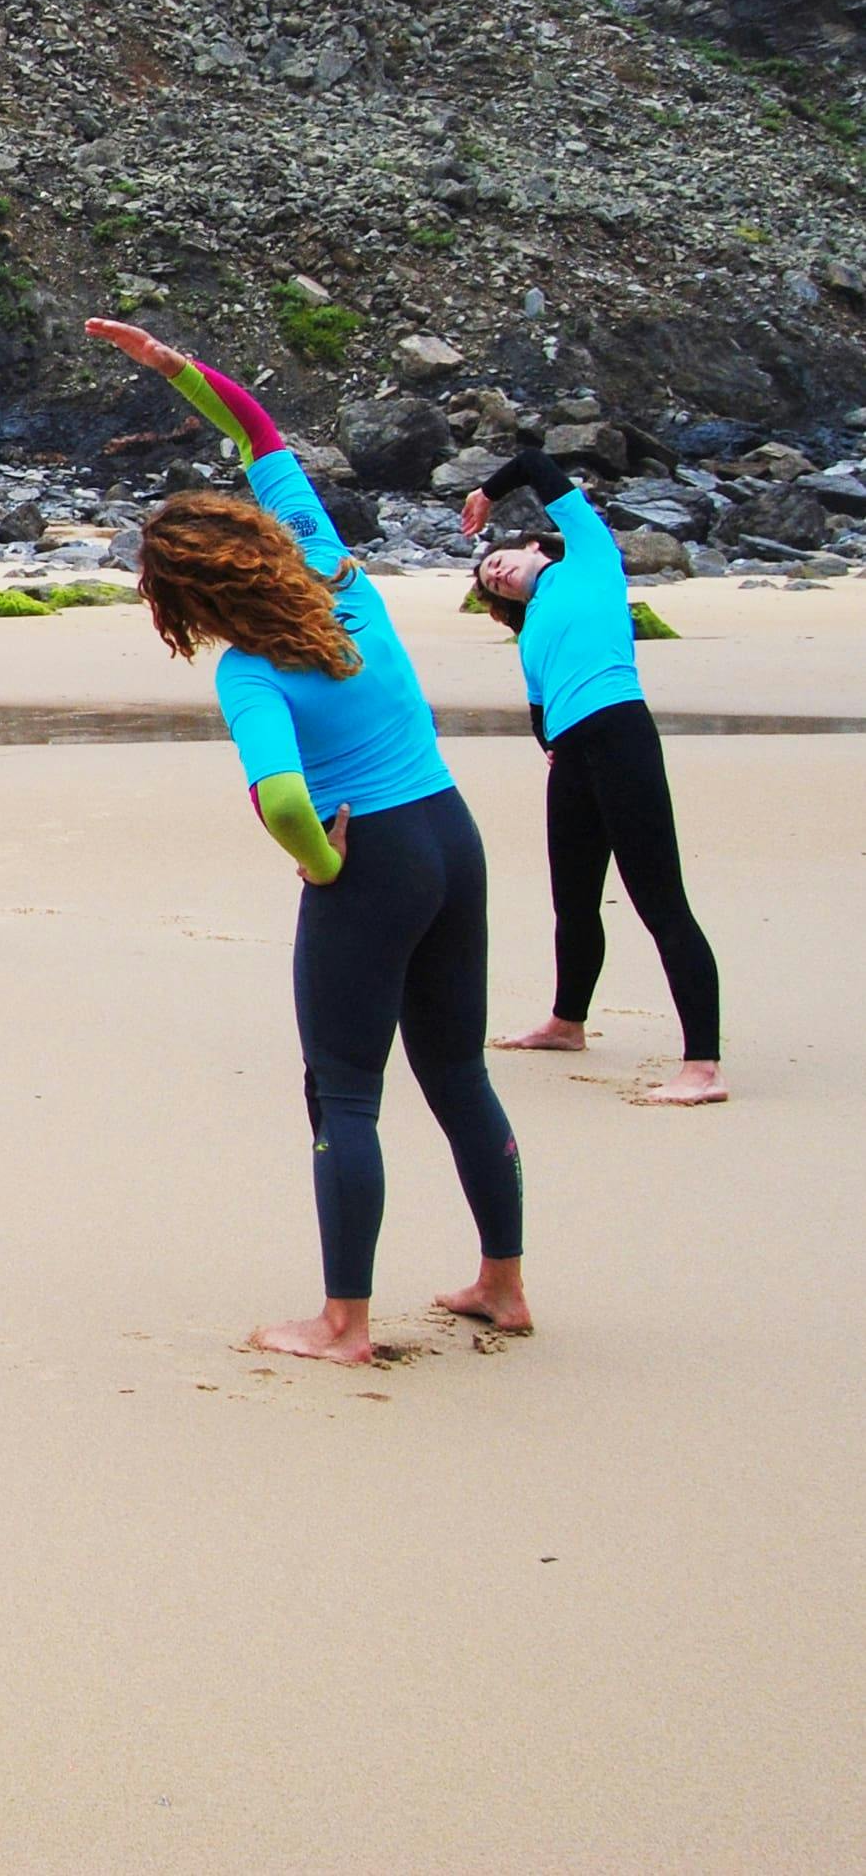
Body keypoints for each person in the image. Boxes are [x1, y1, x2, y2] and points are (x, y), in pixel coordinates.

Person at [89, 318, 528, 1363]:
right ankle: (501, 1285)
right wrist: (172, 370)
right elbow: (260, 431)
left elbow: (282, 800)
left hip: (371, 859)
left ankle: (343, 1323)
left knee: (342, 1090)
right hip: (447, 832)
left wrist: (320, 861)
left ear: (181, 600)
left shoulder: (248, 672)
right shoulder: (337, 571)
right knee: (456, 1070)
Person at [465, 451, 724, 1106]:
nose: (496, 574)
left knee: (660, 901)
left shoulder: (590, 559)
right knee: (573, 902)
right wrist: (550, 746)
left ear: (531, 546)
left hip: (620, 734)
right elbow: (537, 707)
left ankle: (703, 1067)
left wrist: (486, 494)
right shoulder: (529, 635)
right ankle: (567, 1021)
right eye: (492, 585)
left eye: (499, 562)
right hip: (575, 755)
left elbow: (535, 463)